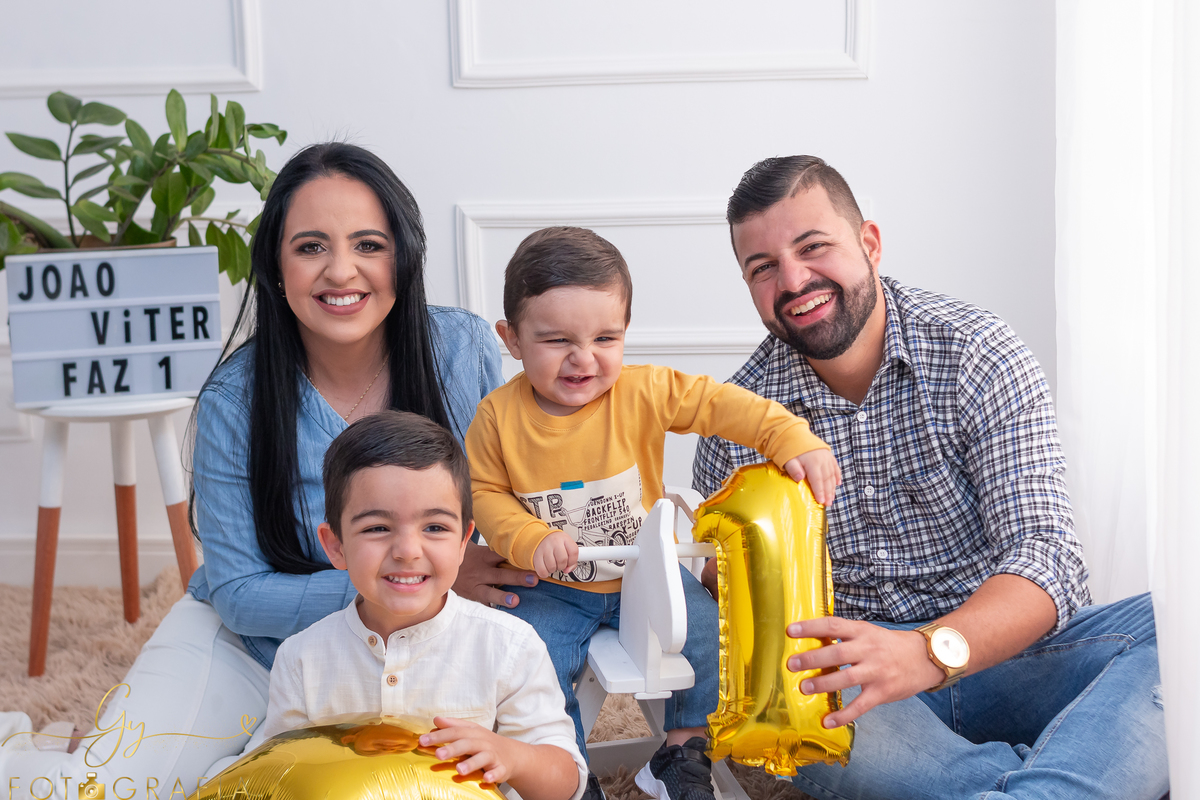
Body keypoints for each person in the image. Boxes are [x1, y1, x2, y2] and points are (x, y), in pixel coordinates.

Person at [0, 143, 536, 798]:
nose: (342, 272)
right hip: (252, 646)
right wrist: (387, 582)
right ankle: (32, 751)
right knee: (107, 790)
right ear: (277, 267)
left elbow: (509, 487)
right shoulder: (234, 399)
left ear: (404, 255)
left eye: (369, 244)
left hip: (414, 645)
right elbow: (239, 593)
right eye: (311, 247)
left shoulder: (463, 349)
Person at [692, 155, 1168, 798]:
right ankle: (1059, 778)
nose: (795, 280)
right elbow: (743, 617)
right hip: (854, 688)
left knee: (1179, 624)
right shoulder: (738, 417)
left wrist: (924, 651)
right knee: (783, 689)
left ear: (869, 243)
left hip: (1009, 658)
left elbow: (1048, 558)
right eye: (763, 268)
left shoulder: (978, 352)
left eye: (813, 247)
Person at [464, 226, 841, 800]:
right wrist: (529, 537)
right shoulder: (497, 417)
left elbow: (722, 405)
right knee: (529, 660)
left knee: (709, 639)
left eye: (605, 338)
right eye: (555, 340)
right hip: (551, 582)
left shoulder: (643, 391)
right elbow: (485, 494)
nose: (583, 358)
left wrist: (791, 438)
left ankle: (680, 751)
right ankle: (561, 764)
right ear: (512, 339)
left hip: (645, 574)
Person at [218, 411, 585, 800]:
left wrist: (513, 757)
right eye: (377, 528)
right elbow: (280, 773)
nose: (408, 552)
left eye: (435, 528)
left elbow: (567, 781)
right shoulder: (302, 659)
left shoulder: (510, 646)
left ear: (464, 541)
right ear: (336, 546)